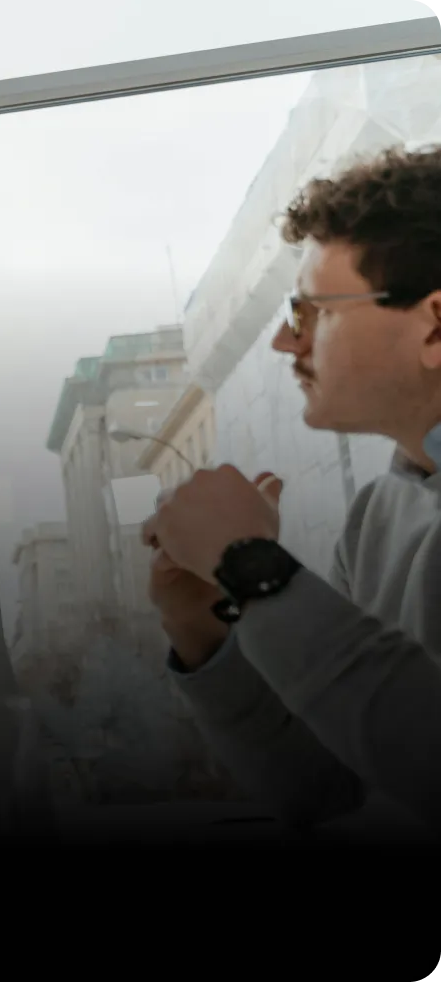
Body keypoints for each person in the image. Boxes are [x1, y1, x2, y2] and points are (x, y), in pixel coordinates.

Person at [142, 144, 441, 830]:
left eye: (313, 313)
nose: (285, 342)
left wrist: (253, 566)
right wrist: (201, 628)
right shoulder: (377, 515)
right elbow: (326, 785)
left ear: (434, 325)